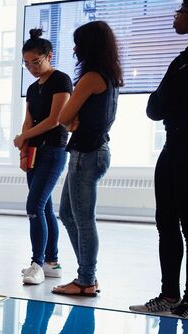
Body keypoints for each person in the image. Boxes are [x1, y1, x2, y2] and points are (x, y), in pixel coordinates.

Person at [131, 1, 188, 318]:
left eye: (181, 9)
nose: (176, 14)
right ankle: (170, 295)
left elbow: (159, 103)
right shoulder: (183, 60)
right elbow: (154, 108)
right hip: (173, 146)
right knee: (166, 223)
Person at [52, 21, 122, 297]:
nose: (74, 49)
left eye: (78, 43)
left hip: (87, 154)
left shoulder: (92, 77)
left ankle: (85, 279)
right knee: (68, 214)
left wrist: (71, 121)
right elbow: (72, 119)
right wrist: (73, 121)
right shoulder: (109, 75)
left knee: (82, 218)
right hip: (93, 150)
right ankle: (86, 273)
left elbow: (63, 118)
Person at [14, 29, 72, 285]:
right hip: (35, 152)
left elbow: (55, 119)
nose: (32, 68)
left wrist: (23, 137)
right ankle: (51, 262)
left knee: (34, 206)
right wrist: (24, 142)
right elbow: (29, 119)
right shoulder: (32, 87)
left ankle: (36, 263)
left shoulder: (61, 80)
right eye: (27, 64)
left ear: (49, 56)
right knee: (45, 207)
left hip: (53, 149)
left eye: (35, 62)